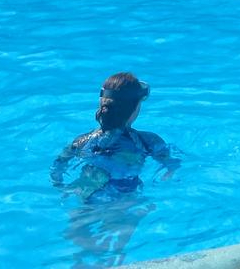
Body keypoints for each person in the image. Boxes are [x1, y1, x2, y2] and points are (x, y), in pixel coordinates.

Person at [51, 72, 180, 203]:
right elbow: (170, 163)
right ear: (135, 109)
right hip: (123, 195)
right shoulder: (148, 141)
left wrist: (58, 184)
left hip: (85, 192)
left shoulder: (81, 141)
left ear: (101, 104)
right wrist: (169, 173)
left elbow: (59, 164)